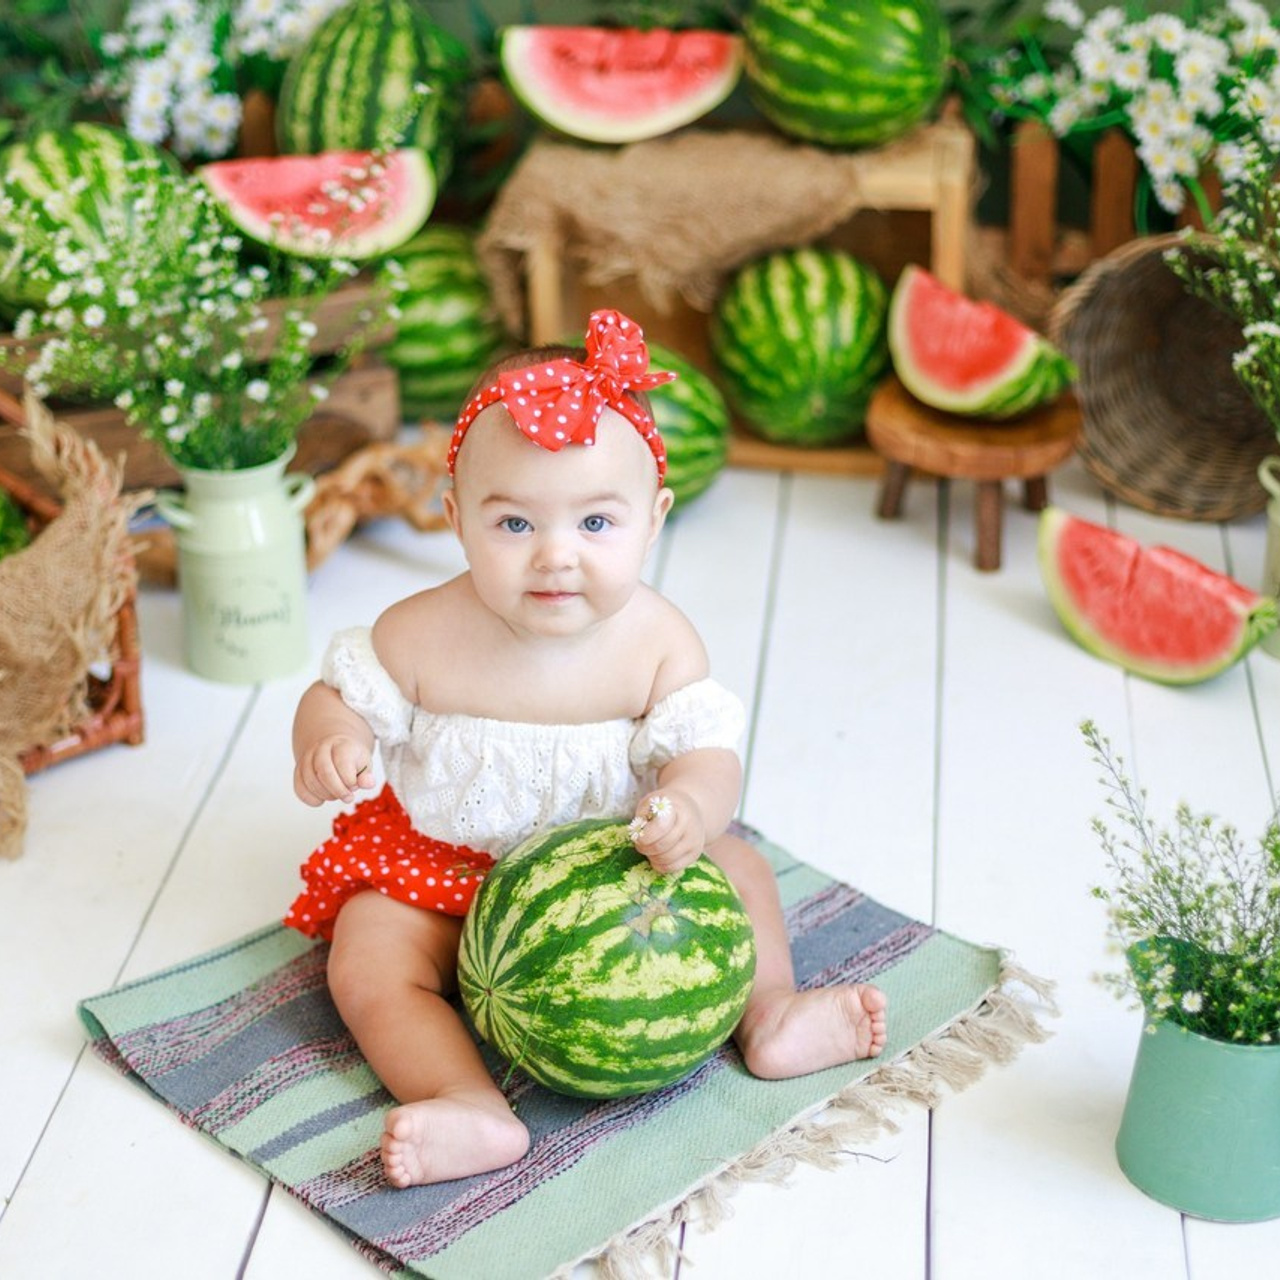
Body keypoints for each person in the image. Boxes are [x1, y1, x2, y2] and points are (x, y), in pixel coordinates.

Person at [284, 309, 888, 1189]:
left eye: (596, 524)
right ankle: (466, 1103)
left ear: (654, 518)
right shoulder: (420, 633)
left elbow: (708, 755)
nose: (555, 557)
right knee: (368, 956)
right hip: (443, 871)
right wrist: (329, 738)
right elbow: (336, 696)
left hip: (619, 866)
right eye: (515, 526)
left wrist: (688, 807)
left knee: (743, 872)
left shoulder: (656, 643)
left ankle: (771, 1015)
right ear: (455, 518)